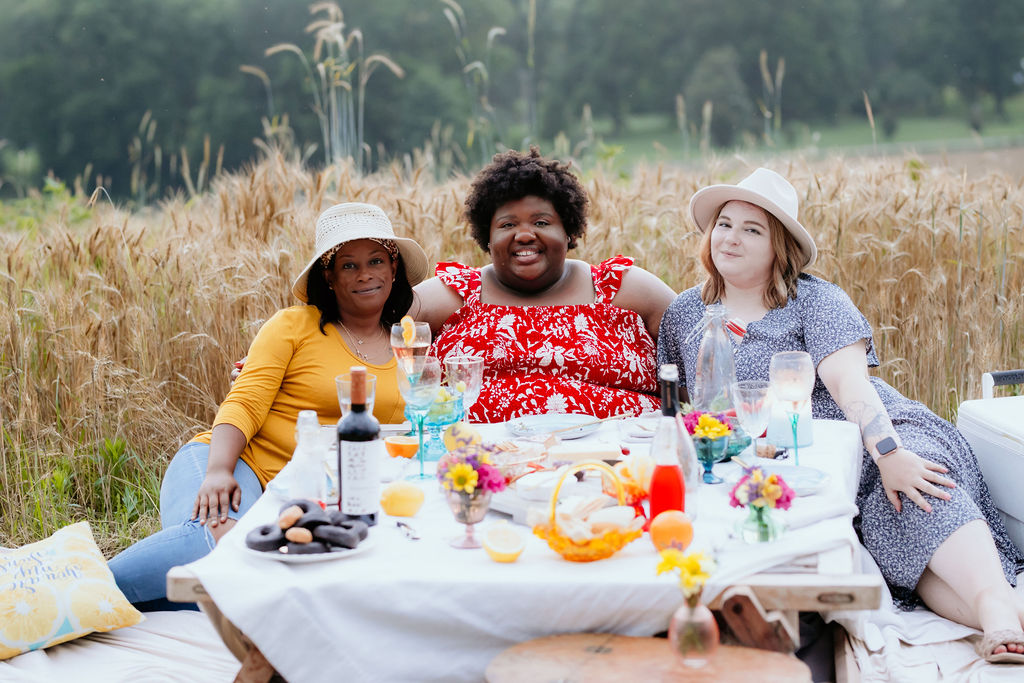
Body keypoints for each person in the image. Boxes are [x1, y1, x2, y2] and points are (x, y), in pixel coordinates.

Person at [658, 168, 1024, 662]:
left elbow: (852, 388)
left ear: (778, 247)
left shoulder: (816, 300)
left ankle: (997, 612)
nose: (731, 237)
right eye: (724, 223)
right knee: (896, 549)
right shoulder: (685, 312)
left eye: (752, 229)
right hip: (787, 459)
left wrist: (889, 452)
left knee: (912, 488)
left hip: (873, 434)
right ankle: (1001, 621)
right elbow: (681, 403)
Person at [108, 202, 429, 609]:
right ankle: (65, 590)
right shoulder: (293, 325)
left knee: (246, 591)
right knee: (219, 539)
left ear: (394, 268)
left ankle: (110, 608)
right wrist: (219, 471)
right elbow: (245, 399)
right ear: (328, 276)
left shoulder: (407, 344)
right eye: (348, 265)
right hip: (238, 463)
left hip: (305, 498)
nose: (365, 274)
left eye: (376, 260)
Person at [412, 147, 677, 422]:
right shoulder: (457, 292)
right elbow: (379, 328)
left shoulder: (620, 286)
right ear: (487, 237)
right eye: (507, 225)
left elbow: (699, 342)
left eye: (541, 222)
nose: (525, 235)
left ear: (568, 231)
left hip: (621, 457)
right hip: (483, 459)